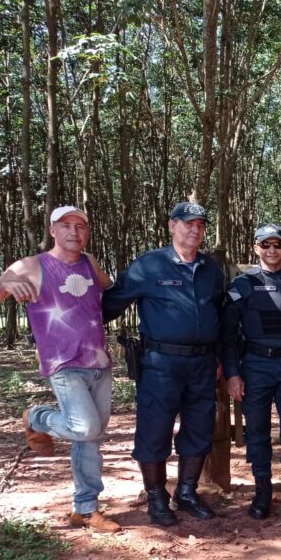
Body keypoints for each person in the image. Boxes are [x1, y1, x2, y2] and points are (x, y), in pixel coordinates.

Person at [0, 206, 119, 532]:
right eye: (66, 225)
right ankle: (36, 417)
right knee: (85, 428)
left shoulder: (91, 264)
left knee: (90, 438)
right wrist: (5, 285)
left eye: (80, 226)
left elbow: (109, 289)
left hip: (99, 363)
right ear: (53, 230)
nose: (74, 232)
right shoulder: (31, 266)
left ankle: (86, 510)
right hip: (63, 364)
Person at [103, 201, 224, 527]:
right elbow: (108, 306)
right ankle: (157, 497)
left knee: (199, 427)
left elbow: (221, 316)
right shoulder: (149, 266)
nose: (194, 229)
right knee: (154, 430)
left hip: (203, 363)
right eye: (187, 223)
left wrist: (222, 359)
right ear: (172, 225)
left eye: (200, 224)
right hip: (160, 363)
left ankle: (187, 492)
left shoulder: (211, 269)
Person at [223, 224, 281, 523]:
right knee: (257, 432)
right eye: (266, 245)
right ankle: (262, 491)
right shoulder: (243, 284)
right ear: (256, 248)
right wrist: (234, 373)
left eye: (277, 245)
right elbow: (228, 333)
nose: (272, 250)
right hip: (256, 366)